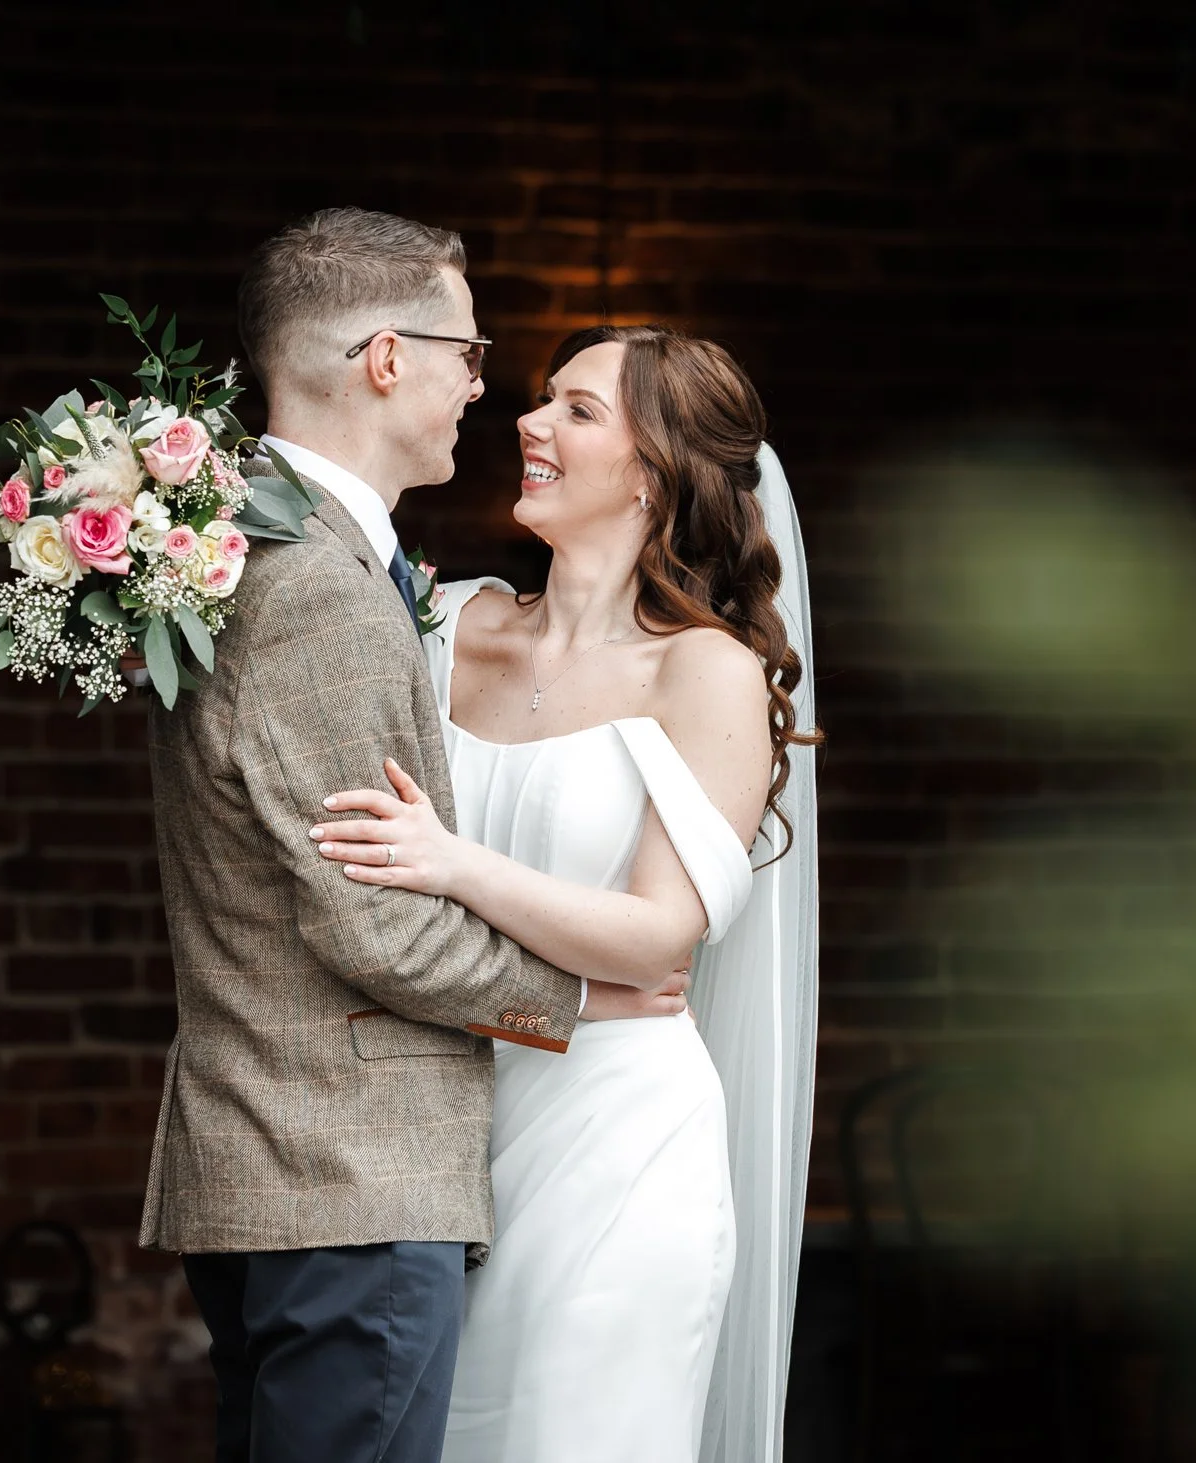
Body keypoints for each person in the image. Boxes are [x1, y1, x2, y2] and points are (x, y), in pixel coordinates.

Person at [140, 209, 687, 1463]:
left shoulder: (263, 552)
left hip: (293, 1173)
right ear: (387, 358)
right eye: (468, 354)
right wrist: (591, 992)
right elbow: (372, 920)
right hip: (343, 1177)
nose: (476, 393)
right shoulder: (317, 591)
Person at [306, 323, 822, 1463]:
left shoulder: (703, 671)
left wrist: (450, 862)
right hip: (434, 1132)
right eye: (542, 399)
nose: (528, 423)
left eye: (575, 410)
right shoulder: (442, 627)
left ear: (654, 470)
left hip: (615, 1143)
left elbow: (654, 939)